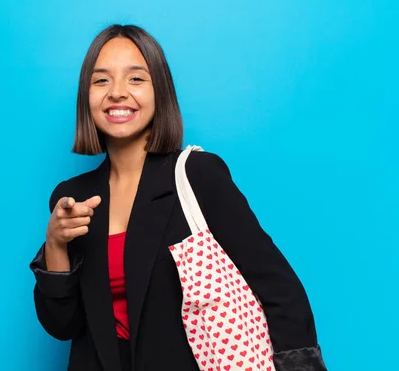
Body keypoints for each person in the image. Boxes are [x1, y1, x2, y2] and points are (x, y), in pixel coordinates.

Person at [30, 24, 327, 371]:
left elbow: (280, 290)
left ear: (161, 91)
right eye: (101, 80)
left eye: (136, 79)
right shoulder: (73, 199)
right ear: (86, 96)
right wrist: (55, 244)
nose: (117, 92)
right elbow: (62, 326)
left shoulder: (198, 176)